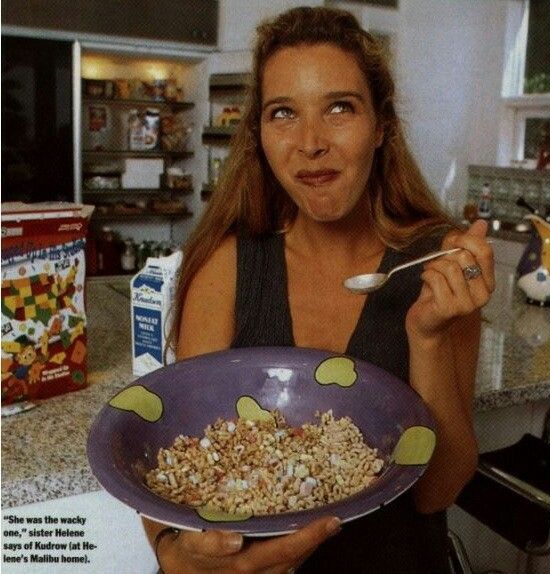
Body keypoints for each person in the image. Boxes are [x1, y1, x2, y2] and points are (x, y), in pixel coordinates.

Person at [143, 6, 494, 573]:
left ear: (381, 126)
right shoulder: (228, 266)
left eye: (339, 108)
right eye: (283, 113)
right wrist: (172, 554)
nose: (311, 142)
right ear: (258, 134)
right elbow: (176, 452)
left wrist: (427, 339)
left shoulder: (435, 265)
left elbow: (437, 492)